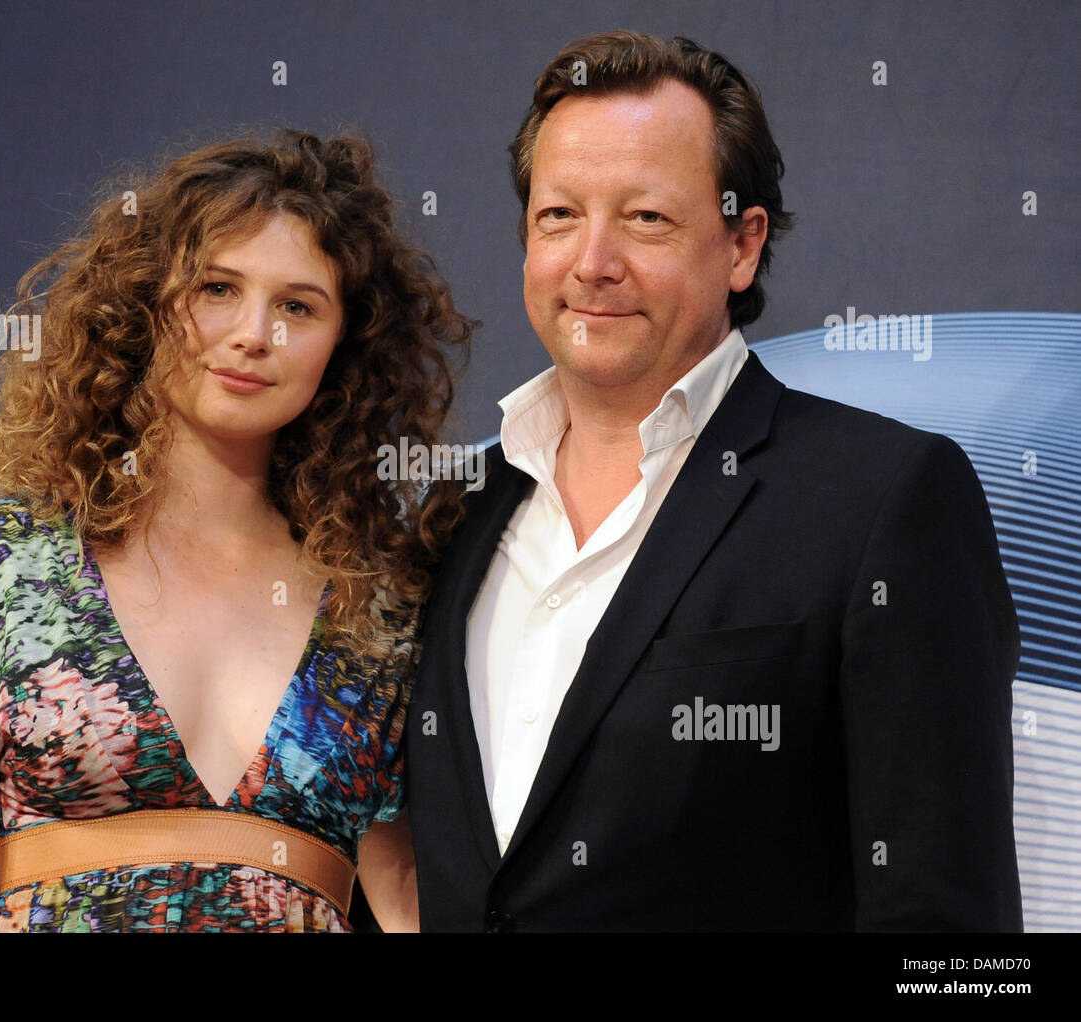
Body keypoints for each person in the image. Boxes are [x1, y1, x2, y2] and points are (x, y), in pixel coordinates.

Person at [405, 31, 1023, 931]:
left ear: (741, 244)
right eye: (559, 216)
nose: (593, 262)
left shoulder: (883, 497)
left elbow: (949, 929)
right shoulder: (447, 513)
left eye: (646, 218)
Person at [0, 130, 474, 932]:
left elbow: (415, 912)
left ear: (346, 343)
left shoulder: (383, 607)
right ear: (147, 298)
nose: (255, 333)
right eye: (218, 288)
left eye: (297, 306)